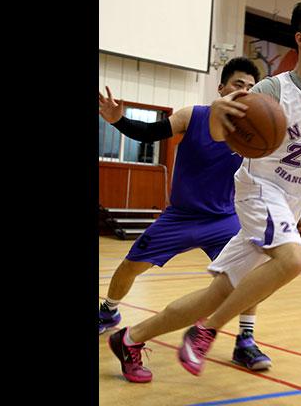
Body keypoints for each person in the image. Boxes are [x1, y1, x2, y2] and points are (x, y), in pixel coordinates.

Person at [107, 0, 301, 381]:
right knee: (293, 260)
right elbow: (222, 133)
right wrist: (220, 114)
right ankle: (208, 330)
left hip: (283, 204)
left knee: (217, 291)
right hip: (259, 190)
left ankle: (130, 337)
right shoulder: (272, 89)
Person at [97, 57, 274, 379]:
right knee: (129, 267)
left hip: (223, 220)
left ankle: (245, 340)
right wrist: (118, 120)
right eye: (238, 84)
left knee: (249, 276)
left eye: (250, 87)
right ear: (221, 88)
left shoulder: (252, 134)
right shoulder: (194, 116)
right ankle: (108, 311)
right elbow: (151, 133)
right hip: (180, 216)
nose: (244, 91)